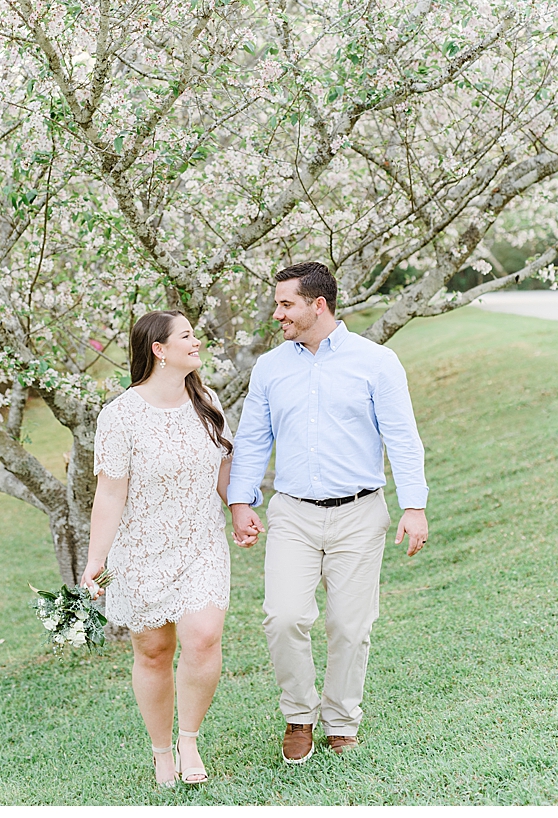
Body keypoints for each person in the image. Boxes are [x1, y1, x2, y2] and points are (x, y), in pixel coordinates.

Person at [226, 261, 429, 765]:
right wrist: (240, 501)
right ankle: (299, 715)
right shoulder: (270, 367)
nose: (277, 314)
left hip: (360, 514)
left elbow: (402, 437)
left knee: (350, 626)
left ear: (318, 305)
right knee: (283, 617)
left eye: (286, 304)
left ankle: (341, 721)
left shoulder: (377, 362)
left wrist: (414, 506)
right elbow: (252, 439)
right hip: (293, 515)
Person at [82, 310, 242, 789]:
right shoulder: (120, 416)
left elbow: (223, 468)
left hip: (201, 543)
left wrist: (238, 511)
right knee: (153, 652)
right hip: (142, 551)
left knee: (204, 637)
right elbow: (110, 495)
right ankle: (161, 751)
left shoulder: (207, 401)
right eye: (186, 336)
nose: (197, 342)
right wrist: (95, 562)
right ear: (159, 349)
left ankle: (189, 740)